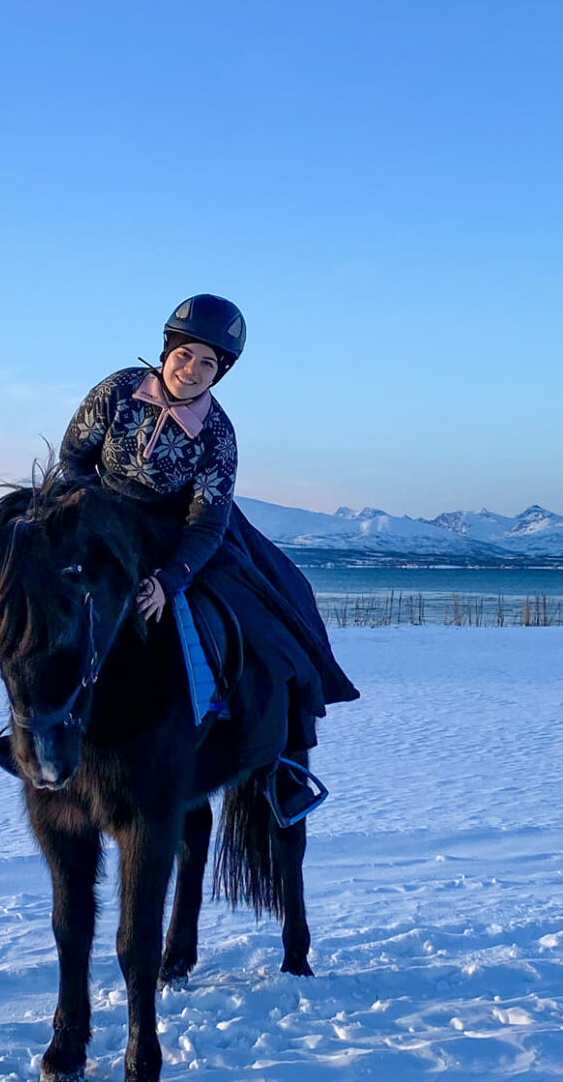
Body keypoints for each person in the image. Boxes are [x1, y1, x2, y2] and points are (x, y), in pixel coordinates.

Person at [54, 295, 359, 808]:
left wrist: (169, 579)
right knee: (30, 600)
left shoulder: (218, 434)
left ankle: (273, 762)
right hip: (98, 518)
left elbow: (208, 518)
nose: (192, 370)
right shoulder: (117, 390)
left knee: (267, 628)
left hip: (179, 535)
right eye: (184, 354)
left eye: (209, 363)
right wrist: (92, 520)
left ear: (221, 372)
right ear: (166, 350)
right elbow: (74, 457)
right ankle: (25, 732)